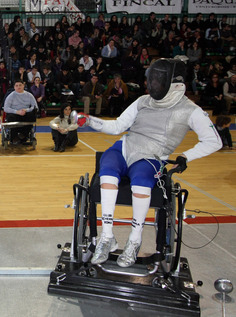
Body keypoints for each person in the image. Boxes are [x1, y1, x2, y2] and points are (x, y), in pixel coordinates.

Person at [77, 58, 221, 268]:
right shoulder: (143, 101)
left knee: (142, 182)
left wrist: (186, 156)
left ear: (173, 83)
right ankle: (107, 237)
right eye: (151, 80)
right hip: (125, 148)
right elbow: (117, 126)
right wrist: (89, 120)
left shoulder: (190, 110)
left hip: (152, 156)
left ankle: (135, 240)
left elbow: (214, 141)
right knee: (106, 170)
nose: (151, 85)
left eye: (156, 81)